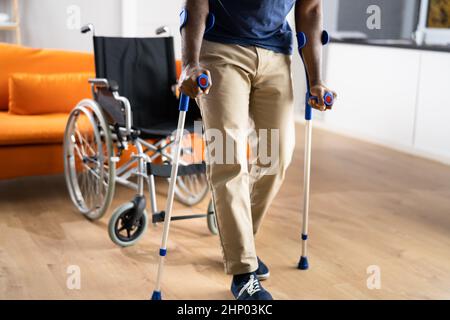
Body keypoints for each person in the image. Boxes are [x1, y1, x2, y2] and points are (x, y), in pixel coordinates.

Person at [179, 0, 337, 300]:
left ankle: (239, 240)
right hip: (220, 49)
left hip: (277, 54)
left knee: (277, 157)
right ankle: (243, 269)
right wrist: (190, 63)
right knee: (228, 158)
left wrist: (316, 80)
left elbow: (311, 9)